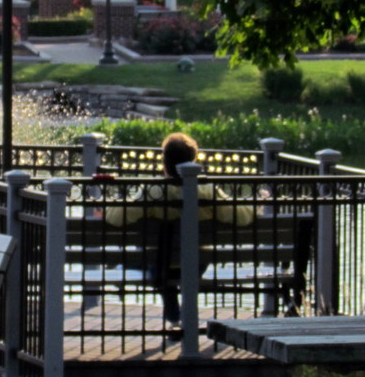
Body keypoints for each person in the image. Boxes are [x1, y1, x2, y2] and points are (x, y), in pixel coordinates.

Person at [102, 132, 257, 325]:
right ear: (194, 160)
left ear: (164, 163)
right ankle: (185, 311)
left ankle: (171, 311)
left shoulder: (154, 191)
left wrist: (109, 204)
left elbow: (116, 218)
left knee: (153, 256)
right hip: (196, 262)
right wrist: (259, 201)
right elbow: (242, 217)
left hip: (162, 262)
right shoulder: (207, 190)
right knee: (185, 256)